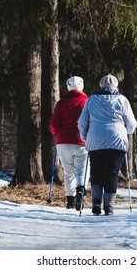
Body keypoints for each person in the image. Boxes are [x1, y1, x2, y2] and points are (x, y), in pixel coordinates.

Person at [78, 74, 137, 215]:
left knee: (96, 172)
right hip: (116, 140)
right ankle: (109, 206)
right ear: (116, 85)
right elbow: (131, 123)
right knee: (112, 173)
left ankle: (96, 203)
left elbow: (82, 122)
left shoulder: (91, 100)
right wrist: (126, 131)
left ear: (101, 85)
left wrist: (85, 136)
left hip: (95, 140)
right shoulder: (122, 100)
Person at [49, 76, 89, 210]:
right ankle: (80, 191)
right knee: (82, 171)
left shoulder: (61, 103)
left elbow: (54, 125)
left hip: (63, 141)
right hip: (82, 141)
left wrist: (57, 134)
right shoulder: (87, 102)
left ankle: (70, 201)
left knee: (68, 172)